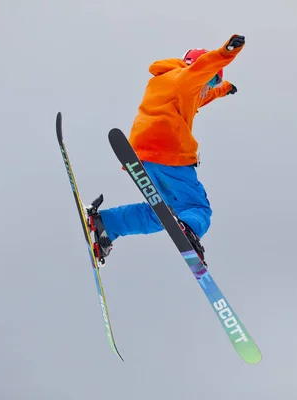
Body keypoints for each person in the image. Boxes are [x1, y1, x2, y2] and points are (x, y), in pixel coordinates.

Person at [86, 34, 246, 263]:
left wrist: (223, 88)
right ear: (201, 73)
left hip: (141, 152)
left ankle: (107, 224)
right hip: (170, 152)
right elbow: (202, 68)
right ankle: (189, 230)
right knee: (197, 208)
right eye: (210, 81)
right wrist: (227, 52)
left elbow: (202, 97)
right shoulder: (187, 78)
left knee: (159, 213)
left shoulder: (166, 81)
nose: (207, 89)